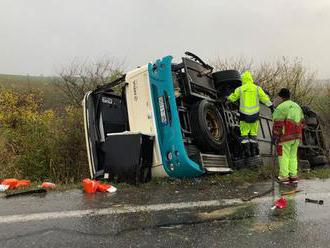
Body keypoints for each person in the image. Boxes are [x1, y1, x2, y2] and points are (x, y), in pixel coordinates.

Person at [227, 70, 273, 157]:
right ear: (251, 79)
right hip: (254, 116)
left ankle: (246, 152)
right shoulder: (257, 88)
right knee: (253, 134)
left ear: (243, 80)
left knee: (244, 134)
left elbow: (232, 97)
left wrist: (227, 99)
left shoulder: (240, 89)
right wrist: (271, 106)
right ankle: (253, 152)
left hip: (244, 115)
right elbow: (264, 98)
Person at [272, 88, 304, 184]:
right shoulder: (297, 106)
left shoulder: (281, 107)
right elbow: (302, 121)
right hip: (297, 135)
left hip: (285, 136)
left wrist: (275, 135)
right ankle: (293, 176)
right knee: (293, 155)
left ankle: (284, 177)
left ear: (281, 97)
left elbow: (277, 122)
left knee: (283, 155)